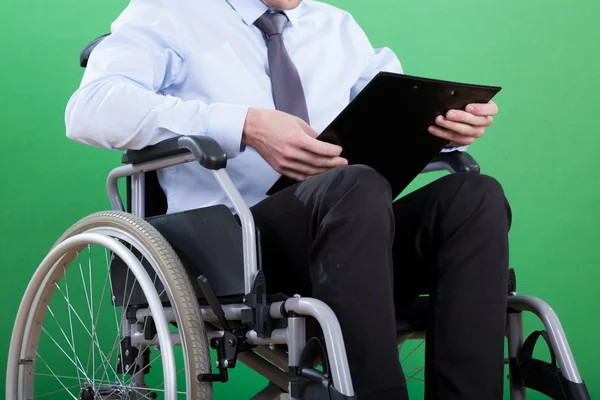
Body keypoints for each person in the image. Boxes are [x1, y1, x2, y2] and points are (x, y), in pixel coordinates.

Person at [65, 0, 511, 398]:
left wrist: (445, 129)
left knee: (474, 196)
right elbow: (90, 108)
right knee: (355, 185)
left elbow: (389, 112)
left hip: (353, 240)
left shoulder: (336, 26)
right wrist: (245, 125)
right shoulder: (172, 11)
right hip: (226, 246)